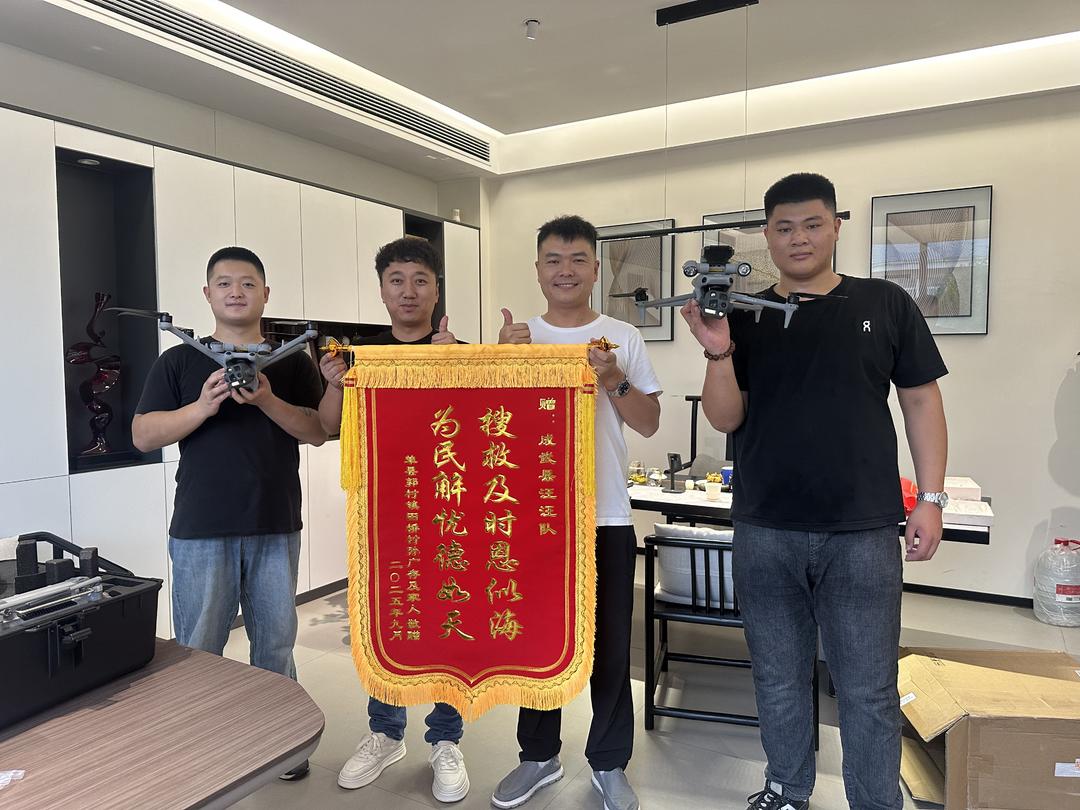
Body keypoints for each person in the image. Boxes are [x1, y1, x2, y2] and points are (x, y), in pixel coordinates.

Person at [682, 173, 949, 810]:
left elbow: (920, 400)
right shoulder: (743, 314)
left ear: (836, 227)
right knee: (778, 678)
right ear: (767, 236)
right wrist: (718, 353)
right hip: (765, 526)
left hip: (862, 530)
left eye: (811, 224)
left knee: (867, 687)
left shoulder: (885, 303)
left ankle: (875, 802)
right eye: (783, 227)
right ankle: (786, 789)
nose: (798, 238)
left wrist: (931, 499)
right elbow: (725, 418)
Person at [132, 246, 327, 781]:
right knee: (199, 646)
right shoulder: (179, 361)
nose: (236, 292)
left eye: (247, 283)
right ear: (207, 294)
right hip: (201, 528)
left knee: (276, 642)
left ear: (266, 294)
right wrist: (202, 406)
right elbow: (143, 434)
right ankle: (204, 745)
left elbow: (317, 431)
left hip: (274, 521)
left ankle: (280, 743)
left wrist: (266, 400)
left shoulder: (291, 360)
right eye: (224, 283)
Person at [491, 215, 661, 810]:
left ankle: (609, 763)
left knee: (610, 648)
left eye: (578, 259)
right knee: (536, 642)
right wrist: (502, 364)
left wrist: (613, 378)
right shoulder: (517, 338)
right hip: (533, 519)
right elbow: (491, 429)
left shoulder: (622, 337)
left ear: (595, 269)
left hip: (605, 516)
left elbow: (648, 422)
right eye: (554, 260)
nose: (565, 270)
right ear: (538, 270)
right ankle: (538, 756)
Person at [317, 236, 468, 804]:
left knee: (447, 621)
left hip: (450, 513)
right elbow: (328, 427)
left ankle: (446, 740)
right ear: (381, 290)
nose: (408, 291)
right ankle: (386, 732)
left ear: (436, 290)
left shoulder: (460, 350)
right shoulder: (359, 358)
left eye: (420, 280)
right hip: (385, 515)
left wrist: (458, 367)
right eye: (396, 280)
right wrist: (333, 385)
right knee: (387, 621)